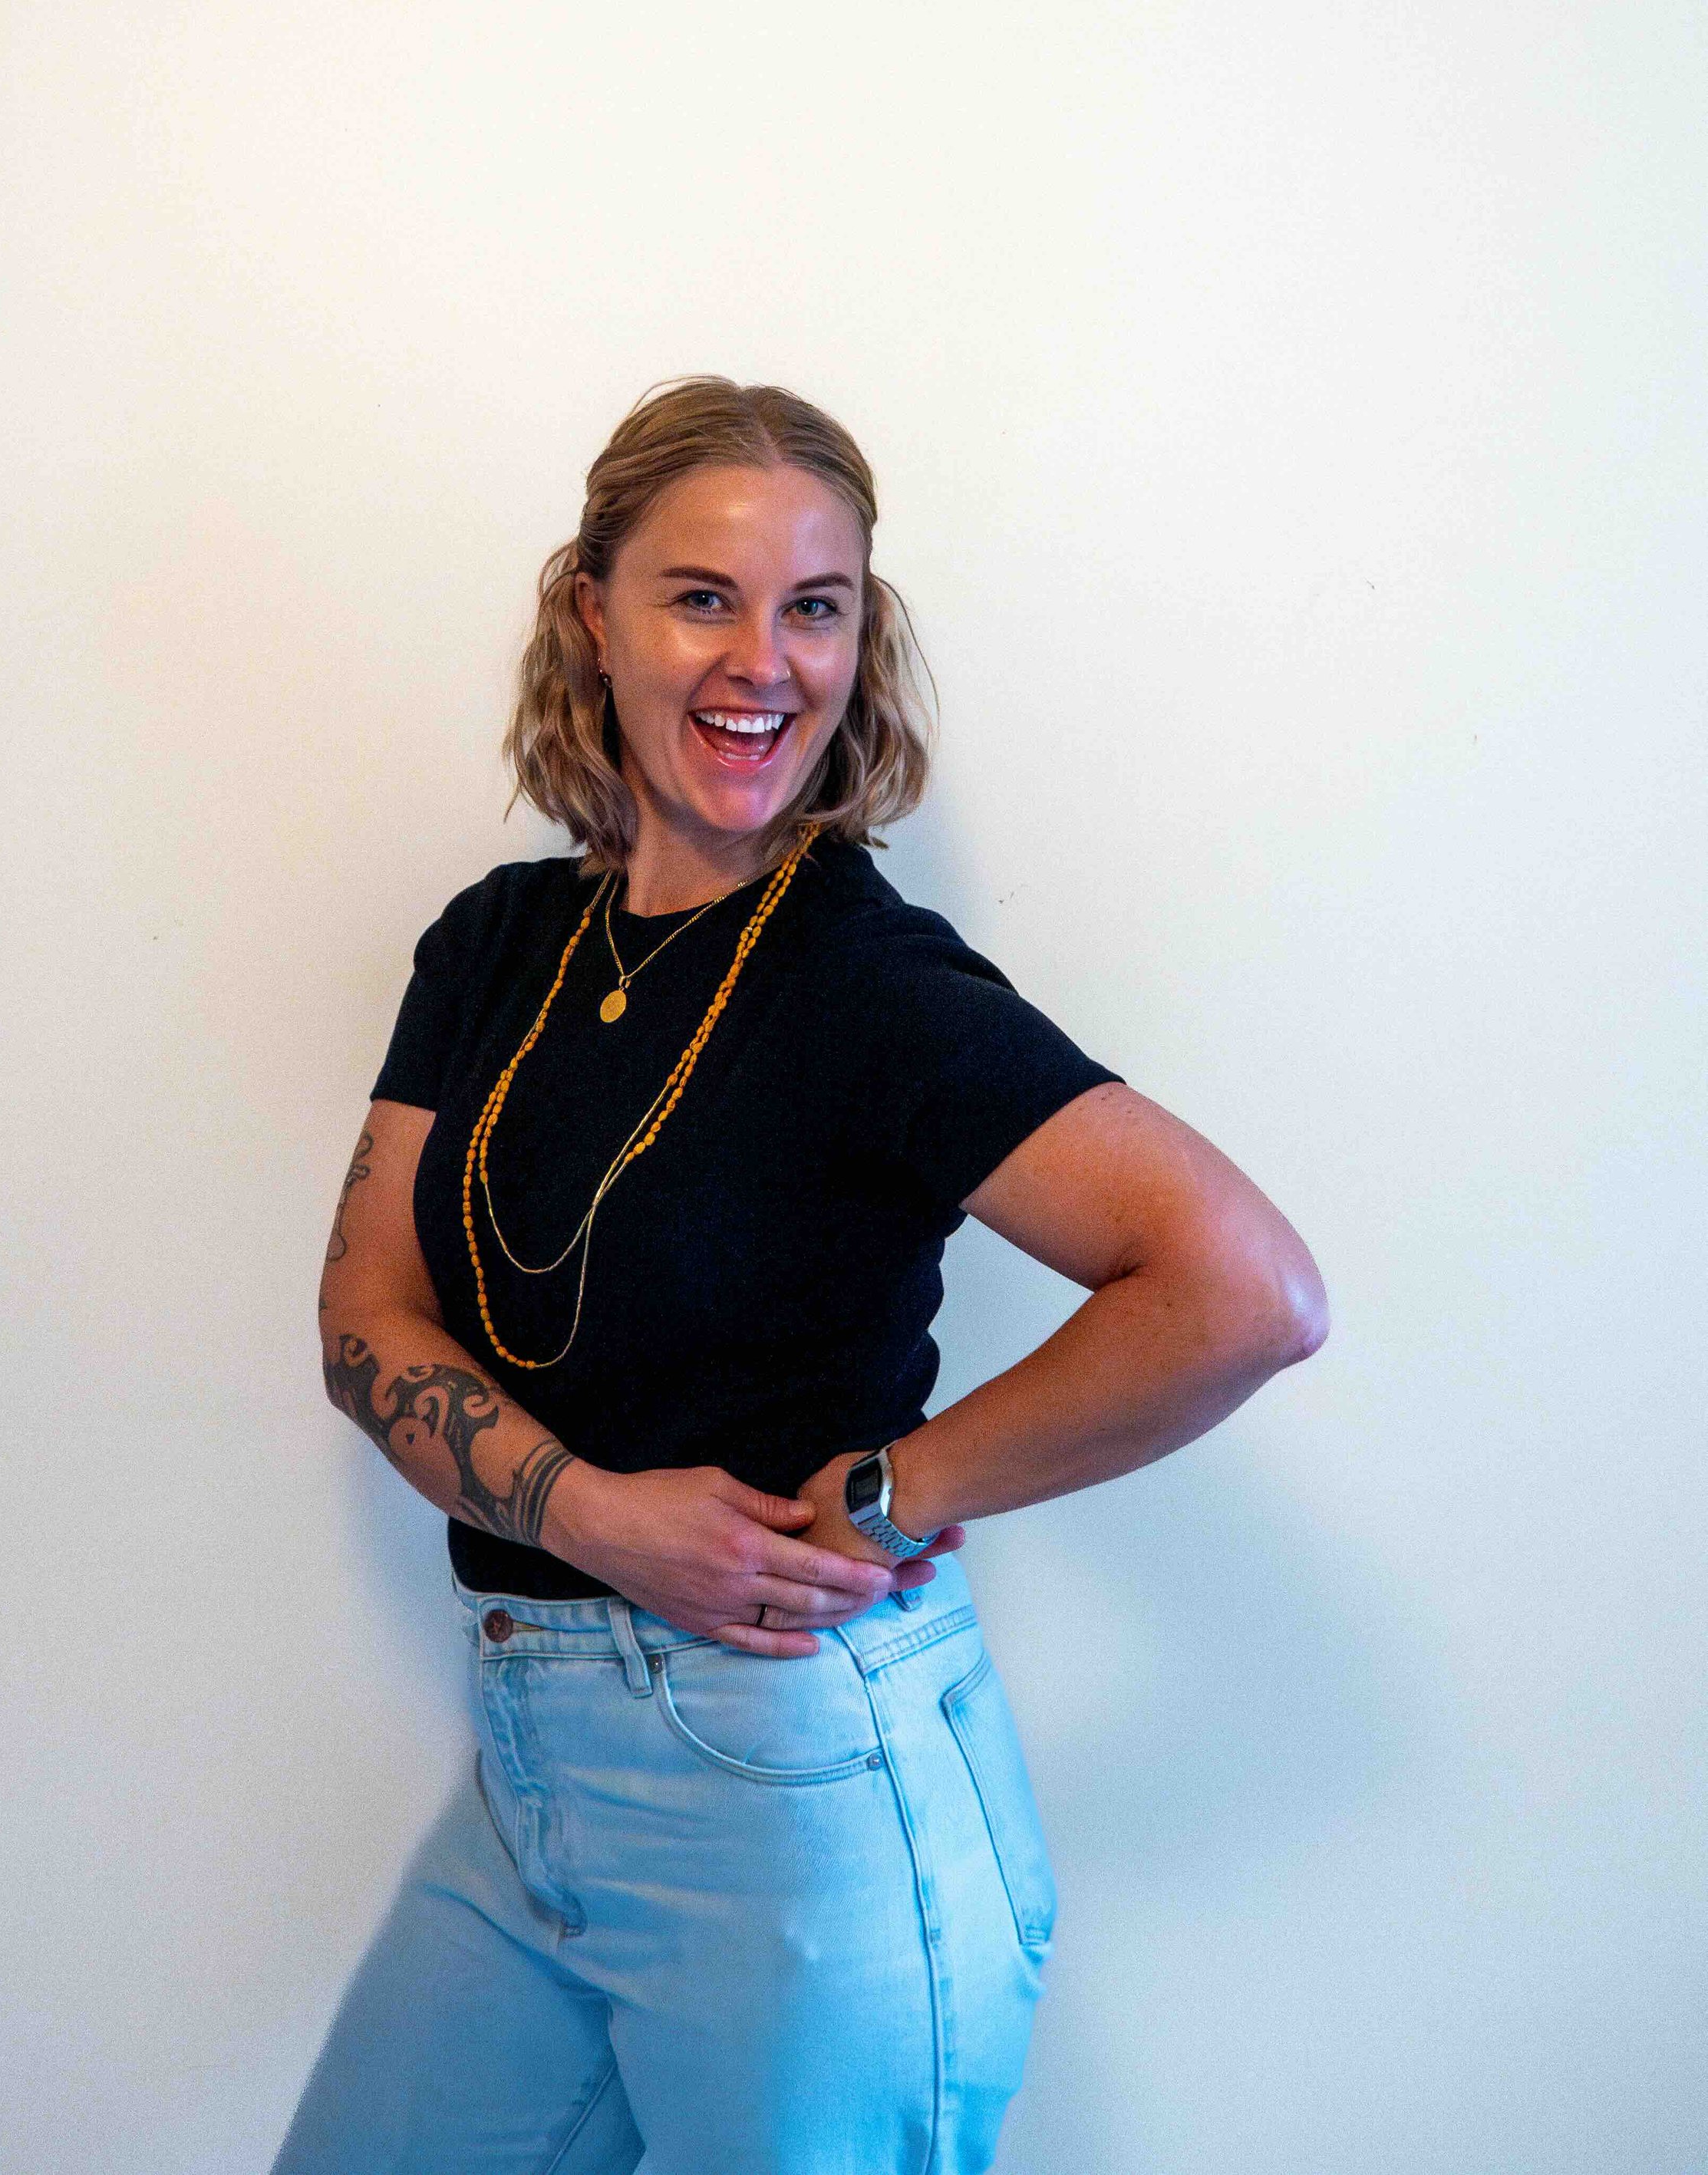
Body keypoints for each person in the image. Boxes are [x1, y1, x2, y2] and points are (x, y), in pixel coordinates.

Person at [273, 376, 1329, 2175]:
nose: (761, 661)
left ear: (858, 642)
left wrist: (894, 1491)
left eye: (813, 607)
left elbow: (1241, 1290)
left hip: (792, 1773)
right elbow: (365, 1316)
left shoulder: (866, 983)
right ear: (591, 615)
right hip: (527, 1777)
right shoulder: (495, 945)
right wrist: (592, 1514)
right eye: (701, 597)